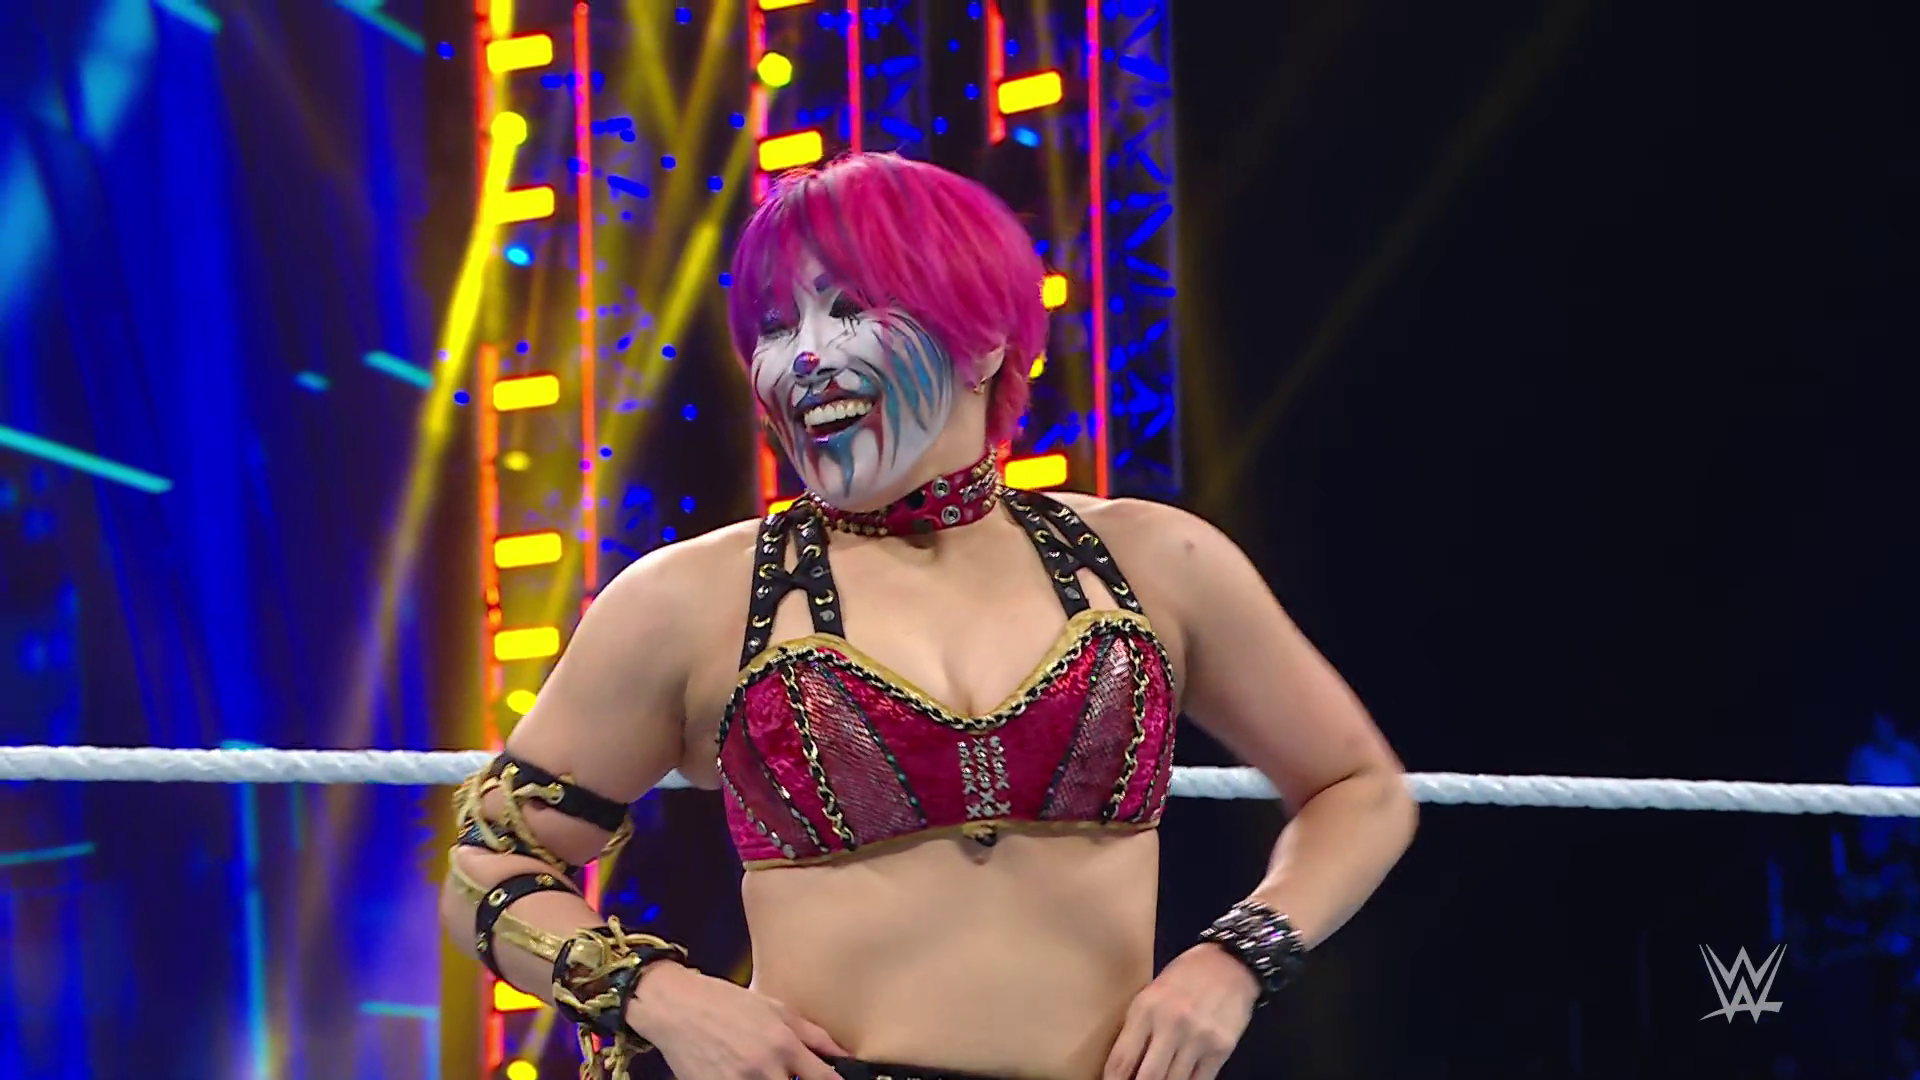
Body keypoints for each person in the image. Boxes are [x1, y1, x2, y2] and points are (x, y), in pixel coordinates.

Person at [440, 151, 1417, 1080]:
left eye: (849, 309)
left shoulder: (1154, 560)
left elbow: (1359, 789)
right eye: (776, 327)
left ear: (984, 340)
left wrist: (1233, 962)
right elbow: (489, 866)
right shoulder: (691, 598)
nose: (805, 355)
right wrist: (662, 997)